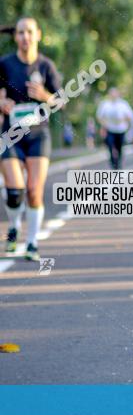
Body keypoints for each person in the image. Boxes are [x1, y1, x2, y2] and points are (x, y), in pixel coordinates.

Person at [0, 17, 62, 262]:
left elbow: (60, 101)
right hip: (11, 134)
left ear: (38, 34)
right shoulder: (4, 64)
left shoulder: (46, 66)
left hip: (38, 134)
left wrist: (45, 95)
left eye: (29, 32)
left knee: (34, 191)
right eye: (20, 32)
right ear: (15, 37)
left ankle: (32, 243)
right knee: (15, 191)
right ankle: (14, 227)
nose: (25, 37)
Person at [96, 88, 133, 170]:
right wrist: (104, 124)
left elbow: (130, 116)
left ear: (118, 94)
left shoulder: (123, 104)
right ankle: (113, 162)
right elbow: (99, 117)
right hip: (110, 130)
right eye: (112, 93)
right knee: (110, 146)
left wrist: (124, 120)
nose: (113, 95)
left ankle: (118, 162)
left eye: (115, 93)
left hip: (121, 130)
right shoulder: (105, 104)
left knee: (119, 147)